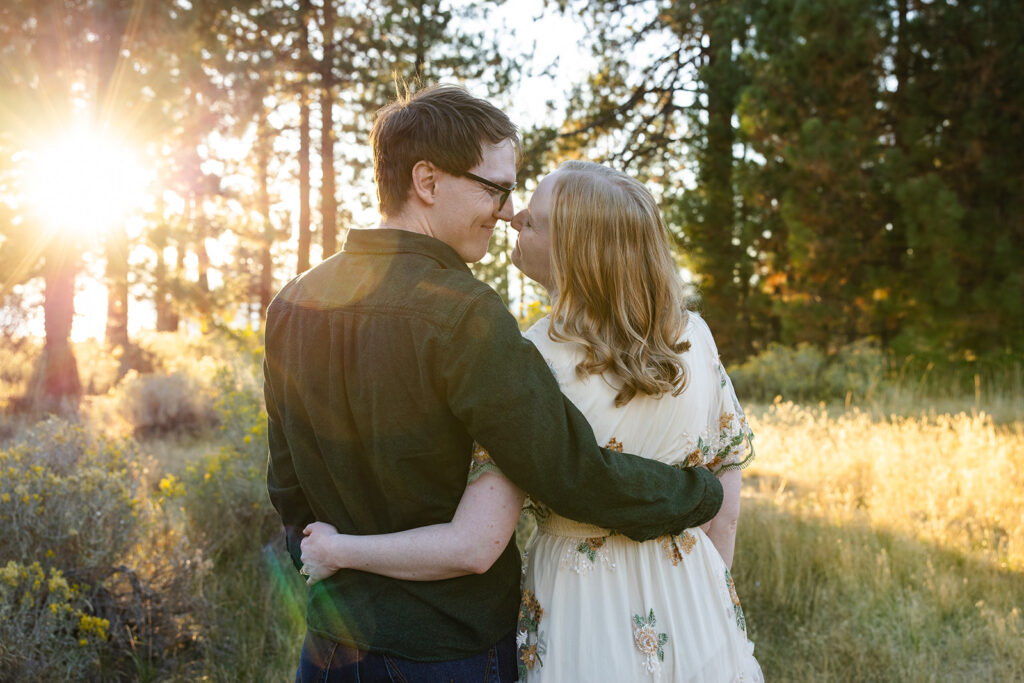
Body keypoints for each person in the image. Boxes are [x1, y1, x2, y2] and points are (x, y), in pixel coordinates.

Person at [264, 85, 724, 682]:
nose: (508, 211)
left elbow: (286, 483)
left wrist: (337, 559)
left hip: (329, 649)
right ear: (426, 182)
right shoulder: (465, 312)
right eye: (495, 188)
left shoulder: (293, 303)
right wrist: (700, 495)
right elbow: (569, 471)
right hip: (448, 649)